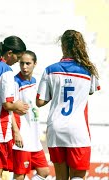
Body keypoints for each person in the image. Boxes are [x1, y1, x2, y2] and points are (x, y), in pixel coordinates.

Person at [36, 30, 100, 179]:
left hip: (56, 127)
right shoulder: (88, 70)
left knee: (61, 177)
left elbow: (40, 102)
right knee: (78, 176)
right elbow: (91, 91)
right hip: (77, 129)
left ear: (63, 45)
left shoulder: (50, 70)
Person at [0, 37, 29, 179]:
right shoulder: (6, 70)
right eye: (18, 57)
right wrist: (18, 106)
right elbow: (7, 104)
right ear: (9, 53)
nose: (17, 61)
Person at [12, 50, 49, 180]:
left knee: (44, 172)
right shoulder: (15, 82)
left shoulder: (34, 81)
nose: (24, 67)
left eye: (28, 63)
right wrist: (16, 132)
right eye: (22, 63)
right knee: (19, 175)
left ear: (35, 64)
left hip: (34, 137)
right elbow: (9, 109)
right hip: (22, 135)